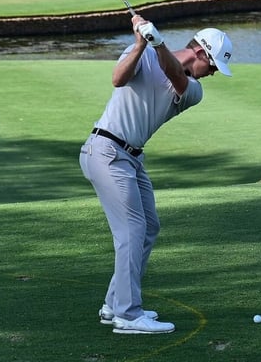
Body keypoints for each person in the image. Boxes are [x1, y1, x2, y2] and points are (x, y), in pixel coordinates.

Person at [80, 17, 234, 335]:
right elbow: (118, 79)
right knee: (132, 231)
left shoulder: (194, 90)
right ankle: (127, 314)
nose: (214, 73)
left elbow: (175, 75)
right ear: (202, 54)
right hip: (106, 151)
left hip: (131, 159)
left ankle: (114, 303)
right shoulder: (145, 53)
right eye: (215, 65)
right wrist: (140, 44)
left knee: (148, 226)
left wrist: (157, 43)